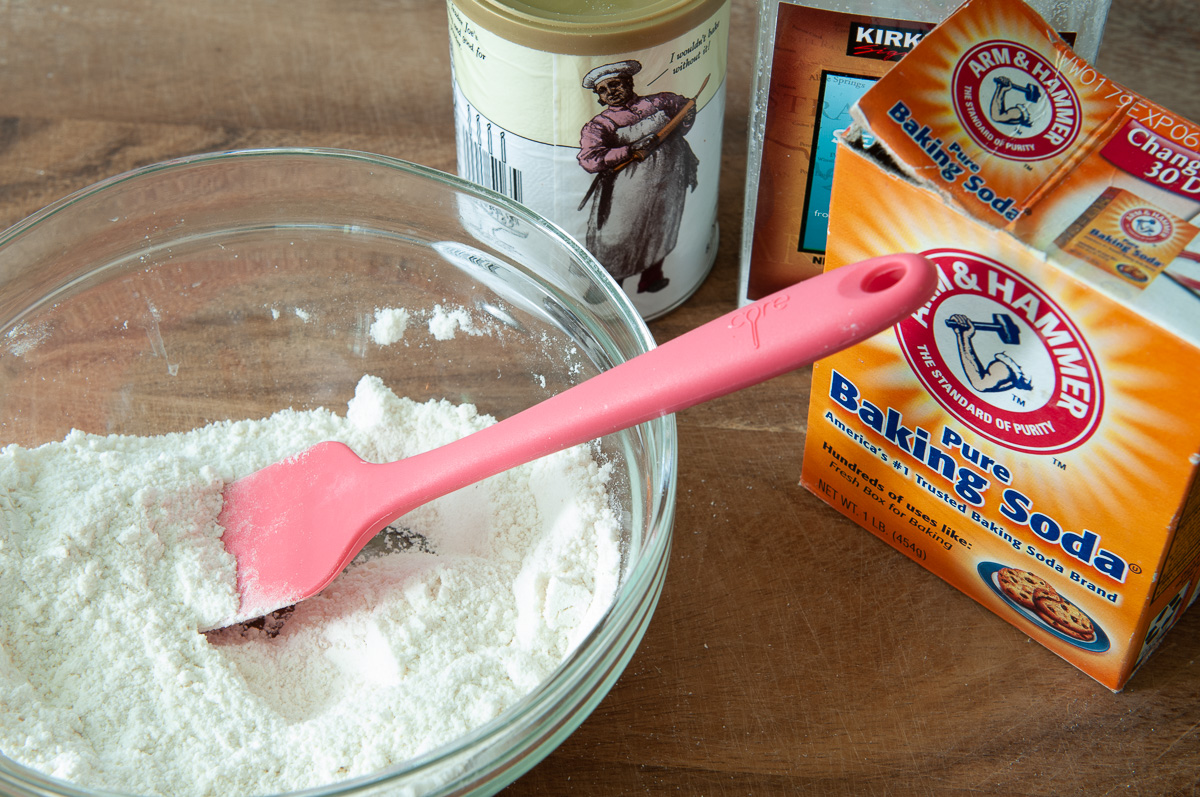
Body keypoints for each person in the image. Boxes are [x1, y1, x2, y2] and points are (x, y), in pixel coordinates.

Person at [577, 60, 699, 294]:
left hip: (669, 179)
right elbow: (590, 159)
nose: (611, 92)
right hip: (627, 190)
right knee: (619, 235)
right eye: (603, 90)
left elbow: (684, 113)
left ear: (628, 82)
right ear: (599, 98)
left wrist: (686, 115)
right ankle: (609, 290)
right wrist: (629, 151)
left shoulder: (660, 102)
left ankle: (650, 279)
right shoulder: (600, 125)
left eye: (615, 84)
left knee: (661, 227)